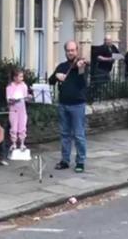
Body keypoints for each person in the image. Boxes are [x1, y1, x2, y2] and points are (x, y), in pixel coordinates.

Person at [49, 41, 88, 173]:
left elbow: (82, 80)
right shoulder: (62, 66)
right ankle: (65, 160)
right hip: (63, 104)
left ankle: (80, 161)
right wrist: (56, 76)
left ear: (77, 51)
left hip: (77, 105)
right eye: (68, 50)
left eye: (73, 50)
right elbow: (50, 81)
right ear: (65, 51)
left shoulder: (80, 65)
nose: (70, 53)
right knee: (65, 134)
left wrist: (79, 67)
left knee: (78, 135)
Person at [6, 68, 31, 150]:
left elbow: (25, 98)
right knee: (14, 126)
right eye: (20, 77)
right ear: (14, 77)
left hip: (22, 109)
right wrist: (13, 100)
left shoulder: (24, 86)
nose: (22, 78)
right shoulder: (9, 86)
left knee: (22, 125)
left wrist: (29, 97)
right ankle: (13, 143)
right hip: (13, 109)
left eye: (22, 77)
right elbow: (8, 100)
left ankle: (22, 143)